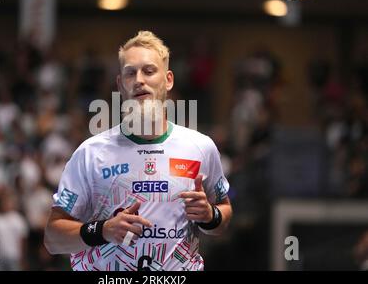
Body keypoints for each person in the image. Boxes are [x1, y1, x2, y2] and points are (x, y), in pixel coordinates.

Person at [44, 31, 232, 271]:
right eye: (130, 73)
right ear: (120, 84)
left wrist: (210, 216)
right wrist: (103, 231)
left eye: (149, 71)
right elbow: (52, 238)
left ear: (168, 80)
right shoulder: (90, 153)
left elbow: (223, 213)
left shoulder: (201, 147)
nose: (139, 80)